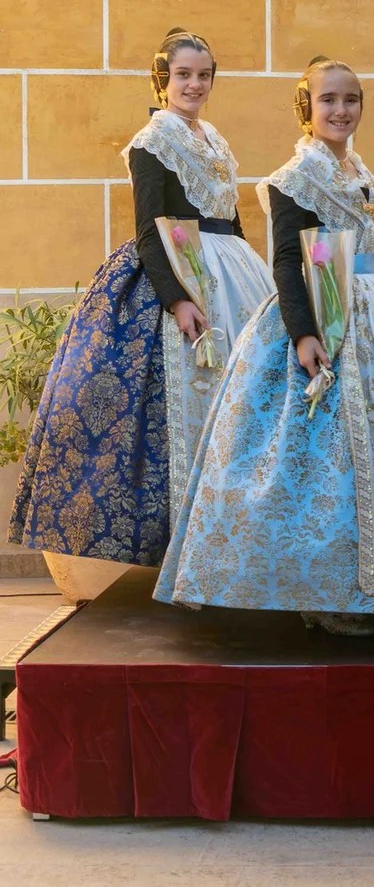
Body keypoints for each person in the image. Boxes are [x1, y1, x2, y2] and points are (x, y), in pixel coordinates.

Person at [154, 57, 374, 636]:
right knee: (328, 463)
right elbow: (289, 263)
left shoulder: (360, 172)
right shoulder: (297, 178)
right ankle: (327, 594)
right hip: (327, 314)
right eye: (329, 101)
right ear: (306, 109)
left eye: (351, 100)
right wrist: (304, 334)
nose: (341, 111)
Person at [9, 28, 273, 567]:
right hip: (182, 269)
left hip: (236, 272)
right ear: (162, 79)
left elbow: (232, 216)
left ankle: (242, 533)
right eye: (183, 75)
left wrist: (256, 275)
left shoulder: (214, 139)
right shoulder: (152, 142)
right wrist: (178, 298)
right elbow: (153, 230)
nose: (194, 85)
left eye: (203, 75)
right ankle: (188, 545)